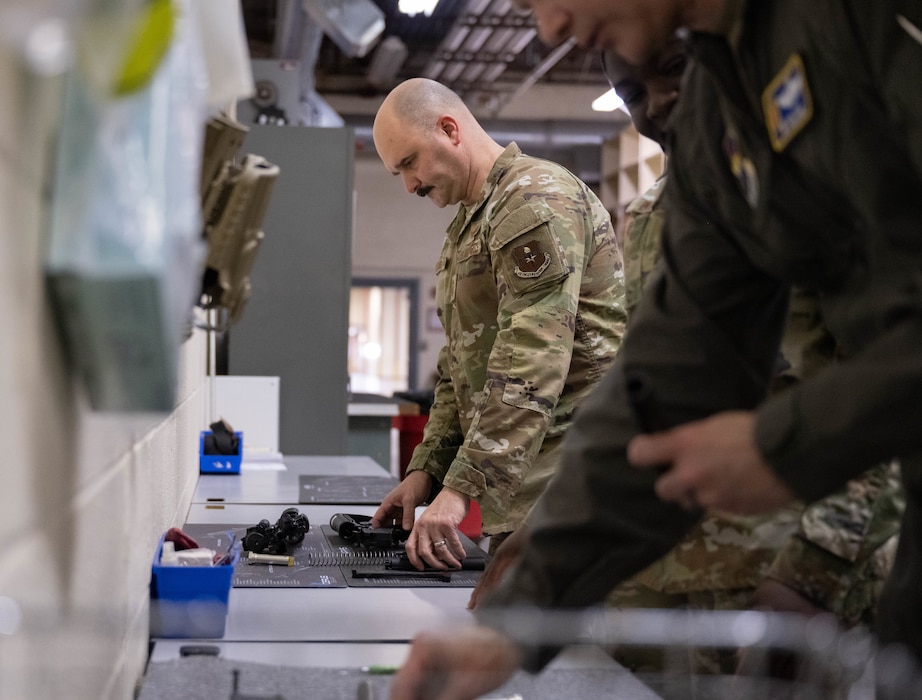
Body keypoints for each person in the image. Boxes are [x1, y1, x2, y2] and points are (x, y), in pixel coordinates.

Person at [388, 1, 922, 697]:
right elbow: (672, 375)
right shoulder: (722, 107)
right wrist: (522, 614)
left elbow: (539, 360)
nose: (548, 29)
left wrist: (785, 455)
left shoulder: (861, 22)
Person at [370, 77, 627, 570]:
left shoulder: (532, 200)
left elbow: (532, 360)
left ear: (450, 130)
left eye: (410, 163)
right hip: (527, 490)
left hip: (574, 486)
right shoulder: (471, 223)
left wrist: (459, 490)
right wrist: (426, 471)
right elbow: (460, 368)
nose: (410, 185)